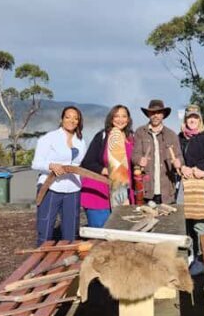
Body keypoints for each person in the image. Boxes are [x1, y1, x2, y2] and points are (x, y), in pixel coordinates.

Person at [31, 106, 86, 246]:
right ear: (62, 119)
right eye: (68, 117)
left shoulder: (81, 141)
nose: (72, 121)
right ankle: (40, 261)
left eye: (76, 118)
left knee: (71, 231)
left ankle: (68, 261)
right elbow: (35, 163)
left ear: (79, 122)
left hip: (73, 189)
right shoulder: (49, 138)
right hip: (51, 188)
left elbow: (81, 164)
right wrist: (51, 166)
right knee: (46, 228)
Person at [178, 104, 204, 275]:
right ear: (185, 120)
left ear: (200, 119)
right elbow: (175, 159)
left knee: (200, 224)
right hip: (183, 185)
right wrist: (182, 168)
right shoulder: (180, 138)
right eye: (189, 117)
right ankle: (187, 256)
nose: (192, 120)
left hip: (200, 186)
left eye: (195, 117)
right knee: (183, 222)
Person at [80, 105, 135, 227]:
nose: (120, 119)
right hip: (99, 192)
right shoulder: (103, 136)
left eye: (124, 116)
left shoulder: (131, 139)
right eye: (116, 116)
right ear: (111, 118)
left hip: (122, 192)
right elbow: (88, 162)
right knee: (100, 232)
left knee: (120, 232)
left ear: (128, 119)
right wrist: (105, 170)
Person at [132, 99, 183, 206]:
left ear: (163, 114)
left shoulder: (171, 135)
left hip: (166, 191)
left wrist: (179, 163)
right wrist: (139, 160)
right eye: (152, 112)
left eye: (159, 112)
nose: (156, 115)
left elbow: (179, 157)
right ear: (148, 114)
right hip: (146, 191)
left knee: (166, 222)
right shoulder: (140, 132)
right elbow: (134, 155)